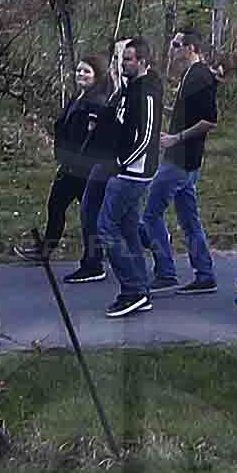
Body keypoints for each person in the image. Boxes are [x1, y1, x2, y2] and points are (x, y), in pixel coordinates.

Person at [95, 38, 177, 293]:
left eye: (128, 59)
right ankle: (139, 285)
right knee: (128, 228)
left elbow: (146, 137)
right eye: (122, 59)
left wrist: (120, 163)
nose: (123, 64)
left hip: (134, 173)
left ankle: (132, 288)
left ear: (142, 61)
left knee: (106, 227)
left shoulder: (147, 91)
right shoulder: (131, 87)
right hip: (125, 169)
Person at [48, 60, 137, 294]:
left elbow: (97, 138)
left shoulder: (96, 103)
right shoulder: (78, 99)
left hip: (84, 169)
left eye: (86, 71)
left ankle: (93, 262)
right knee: (69, 208)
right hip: (71, 166)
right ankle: (53, 250)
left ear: (97, 75)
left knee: (94, 217)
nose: (81, 74)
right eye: (78, 70)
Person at [148, 32, 224, 292]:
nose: (172, 49)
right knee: (189, 220)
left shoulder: (201, 76)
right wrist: (163, 109)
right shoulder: (190, 75)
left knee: (150, 215)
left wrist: (175, 138)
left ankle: (166, 271)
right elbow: (188, 113)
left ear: (191, 47)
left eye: (176, 45)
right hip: (185, 159)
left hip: (181, 160)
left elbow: (210, 121)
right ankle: (205, 275)